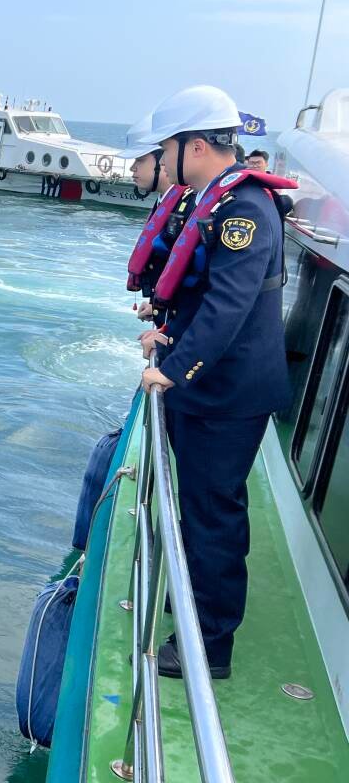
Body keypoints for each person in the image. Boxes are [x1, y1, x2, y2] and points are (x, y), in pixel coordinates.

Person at [134, 85, 294, 680]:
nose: (163, 159)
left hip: (228, 395)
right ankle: (192, 600)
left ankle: (208, 646)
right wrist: (168, 334)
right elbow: (202, 296)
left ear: (195, 146)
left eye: (167, 148)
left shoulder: (243, 211)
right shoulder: (218, 201)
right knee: (198, 506)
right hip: (211, 387)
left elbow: (229, 307)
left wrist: (173, 371)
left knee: (214, 515)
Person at [119, 113, 196, 320]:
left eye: (140, 159)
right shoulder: (166, 200)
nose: (133, 167)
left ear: (162, 160)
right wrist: (156, 306)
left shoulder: (189, 204)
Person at [247, 149, 295, 217]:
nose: (254, 166)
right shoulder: (244, 180)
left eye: (258, 163)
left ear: (266, 164)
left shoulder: (274, 181)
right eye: (252, 163)